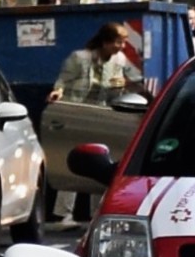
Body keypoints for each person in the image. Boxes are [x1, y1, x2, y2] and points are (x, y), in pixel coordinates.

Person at [46, 22, 148, 228]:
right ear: (105, 42)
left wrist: (128, 85)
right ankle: (62, 215)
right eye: (119, 42)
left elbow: (137, 79)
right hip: (78, 115)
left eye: (124, 42)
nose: (122, 46)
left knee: (100, 165)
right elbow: (62, 82)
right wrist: (57, 93)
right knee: (71, 165)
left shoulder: (119, 60)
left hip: (102, 118)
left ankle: (96, 214)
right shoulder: (79, 58)